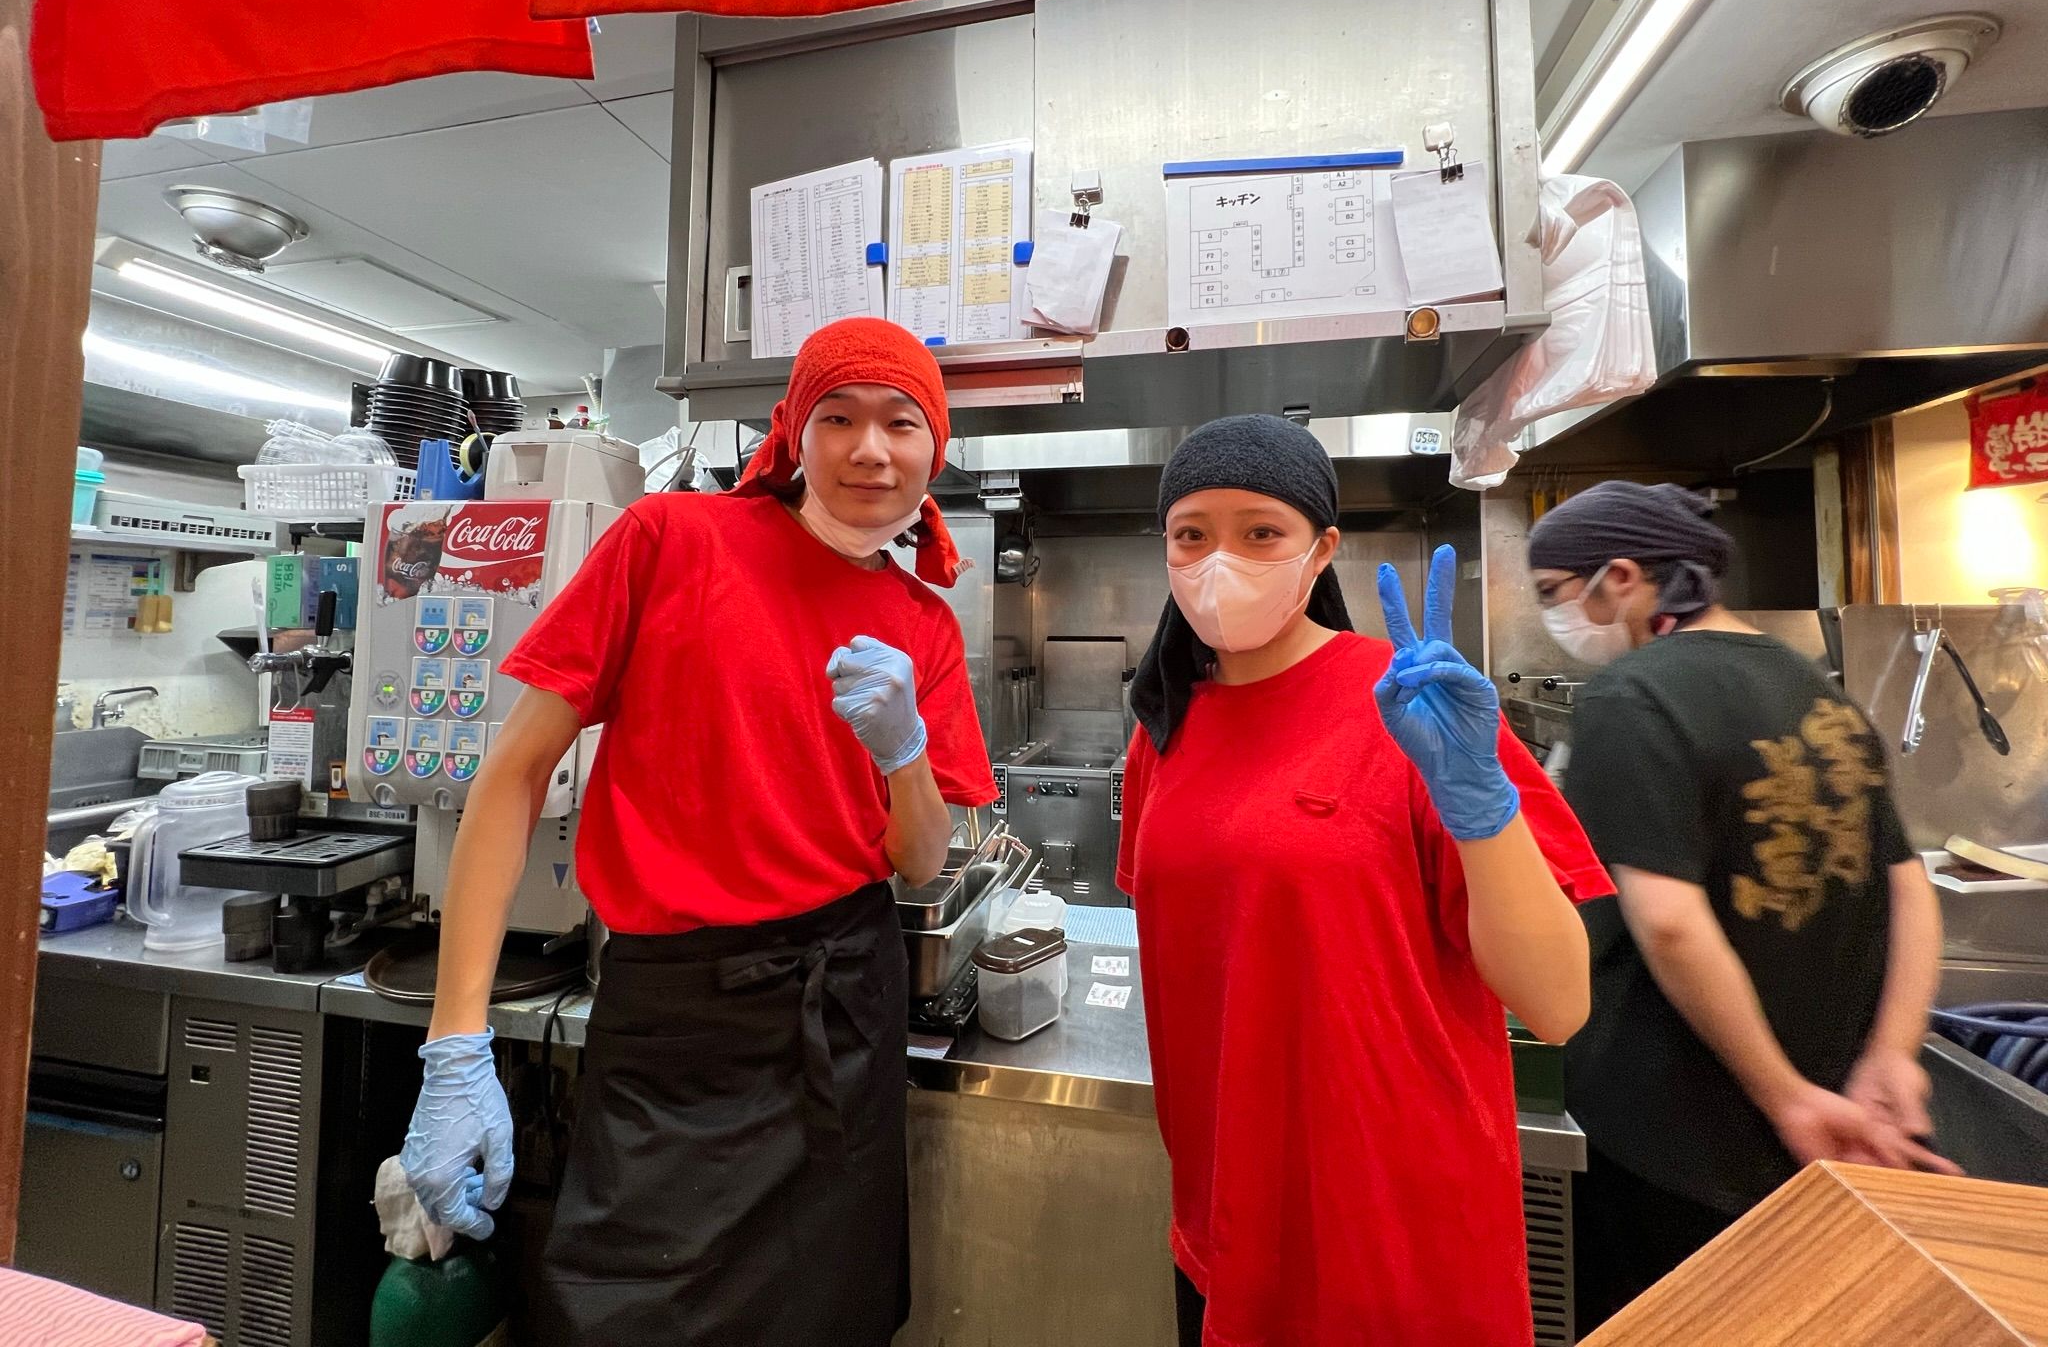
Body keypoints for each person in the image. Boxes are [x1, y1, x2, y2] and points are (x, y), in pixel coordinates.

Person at [398, 317, 997, 1345]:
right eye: (838, 417)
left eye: (901, 424)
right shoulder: (670, 541)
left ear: (931, 450)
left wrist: (902, 754)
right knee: (629, 1314)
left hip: (843, 1004)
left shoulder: (924, 624)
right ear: (790, 433)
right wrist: (455, 1044)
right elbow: (510, 779)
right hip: (676, 1012)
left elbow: (921, 860)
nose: (870, 448)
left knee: (827, 1317)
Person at [1117, 415, 1613, 1347]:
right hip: (1228, 1232)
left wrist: (1482, 803)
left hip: (1399, 1246)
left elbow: (1558, 1003)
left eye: (1260, 531)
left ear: (1322, 549)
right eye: (1192, 534)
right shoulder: (1163, 728)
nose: (1220, 561)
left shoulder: (1414, 704)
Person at [1526, 480, 1957, 1330]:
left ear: (1620, 578)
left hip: (1677, 1138)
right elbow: (1910, 889)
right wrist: (1892, 1057)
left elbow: (1670, 921)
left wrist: (1783, 1094)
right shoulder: (1818, 688)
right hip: (1818, 1124)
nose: (1558, 616)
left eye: (1554, 594)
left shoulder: (1633, 696)